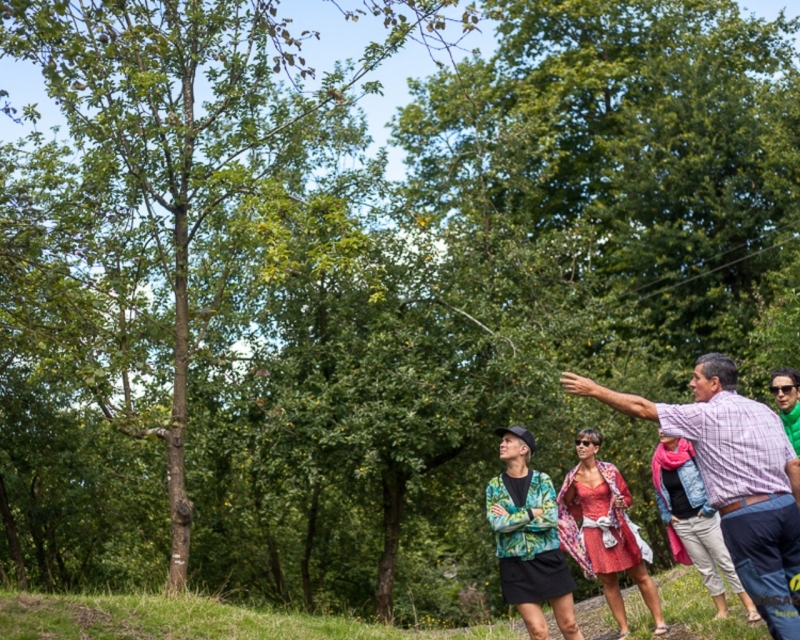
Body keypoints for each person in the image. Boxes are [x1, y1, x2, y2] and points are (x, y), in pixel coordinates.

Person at [560, 353, 800, 640]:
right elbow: (794, 466)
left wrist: (595, 390)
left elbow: (642, 408)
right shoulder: (767, 412)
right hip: (787, 511)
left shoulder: (703, 414)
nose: (691, 383)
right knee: (797, 590)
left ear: (715, 383)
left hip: (748, 521)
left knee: (778, 605)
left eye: (696, 378)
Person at [557, 428, 669, 638]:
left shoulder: (610, 471)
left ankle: (659, 621)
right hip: (593, 532)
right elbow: (566, 505)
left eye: (586, 443)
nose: (580, 446)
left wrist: (621, 502)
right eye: (578, 442)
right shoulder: (572, 477)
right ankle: (624, 629)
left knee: (640, 574)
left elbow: (627, 498)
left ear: (596, 448)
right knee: (609, 582)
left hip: (616, 528)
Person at [651, 429, 761, 622]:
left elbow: (713, 478)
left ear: (677, 432)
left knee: (725, 561)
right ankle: (722, 611)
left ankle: (751, 606)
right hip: (682, 523)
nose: (660, 431)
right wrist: (667, 516)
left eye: (665, 427)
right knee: (705, 569)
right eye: (659, 428)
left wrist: (709, 507)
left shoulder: (692, 451)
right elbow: (658, 492)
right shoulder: (658, 460)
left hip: (705, 517)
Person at [486, 426, 584, 640]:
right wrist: (531, 512)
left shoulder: (542, 481)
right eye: (502, 441)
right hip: (515, 565)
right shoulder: (494, 486)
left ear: (523, 449)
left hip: (548, 559)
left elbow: (549, 519)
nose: (502, 444)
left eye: (508, 440)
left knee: (570, 626)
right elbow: (497, 524)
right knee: (538, 633)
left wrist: (512, 516)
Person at [770, 367, 800, 456]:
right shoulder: (775, 423)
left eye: (786, 389)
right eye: (775, 390)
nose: (780, 394)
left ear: (798, 391)